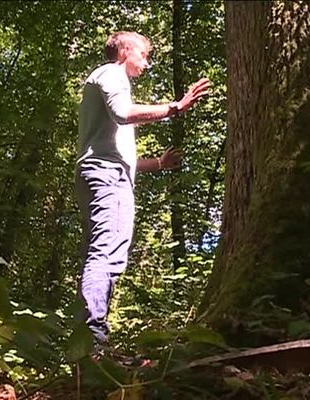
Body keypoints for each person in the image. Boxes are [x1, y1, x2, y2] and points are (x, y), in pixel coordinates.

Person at [74, 31, 210, 354]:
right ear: (124, 51)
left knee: (106, 254)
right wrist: (175, 107)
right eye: (144, 54)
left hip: (105, 174)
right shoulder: (112, 74)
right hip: (107, 177)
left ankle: (90, 339)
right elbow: (123, 113)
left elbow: (120, 154)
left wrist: (159, 164)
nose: (147, 63)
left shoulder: (106, 83)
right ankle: (92, 339)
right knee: (104, 254)